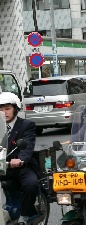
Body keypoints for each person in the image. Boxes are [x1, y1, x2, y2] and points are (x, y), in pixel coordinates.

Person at [0, 92, 38, 225]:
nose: (4, 112)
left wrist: (20, 159)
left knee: (30, 184)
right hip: (2, 167)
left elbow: (27, 145)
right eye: (0, 109)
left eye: (7, 108)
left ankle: (25, 214)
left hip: (20, 167)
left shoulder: (26, 125)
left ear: (15, 109)